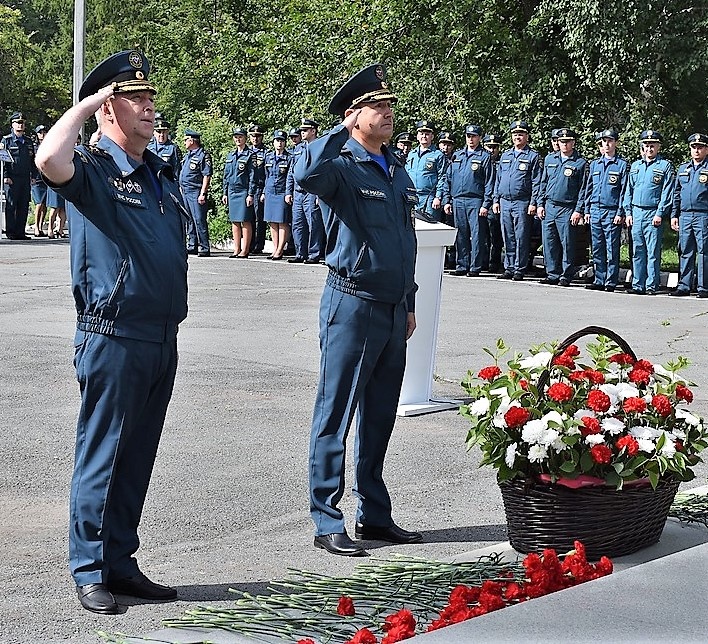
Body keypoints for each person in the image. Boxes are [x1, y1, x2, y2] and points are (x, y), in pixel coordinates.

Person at [35, 50, 187, 615]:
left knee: (137, 455)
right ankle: (89, 567)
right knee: (103, 453)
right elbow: (50, 157)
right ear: (107, 109)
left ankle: (121, 563)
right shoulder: (95, 171)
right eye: (135, 98)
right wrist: (88, 105)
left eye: (151, 98)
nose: (150, 107)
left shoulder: (157, 176)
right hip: (114, 334)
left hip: (160, 336)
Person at [294, 63, 421, 557]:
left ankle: (375, 514)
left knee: (380, 416)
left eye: (390, 105)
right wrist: (336, 131)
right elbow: (305, 174)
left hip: (392, 307)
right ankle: (327, 517)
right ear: (353, 115)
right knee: (336, 411)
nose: (388, 113)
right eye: (377, 106)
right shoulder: (341, 166)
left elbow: (404, 239)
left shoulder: (394, 165)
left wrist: (408, 301)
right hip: (351, 303)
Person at [622, 130, 675, 295]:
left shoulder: (664, 166)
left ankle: (651, 285)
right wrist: (628, 212)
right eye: (646, 145)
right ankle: (638, 284)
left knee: (652, 252)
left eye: (652, 145)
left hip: (652, 213)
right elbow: (628, 190)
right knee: (637, 251)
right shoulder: (636, 166)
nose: (649, 148)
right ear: (642, 146)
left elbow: (667, 192)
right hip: (636, 212)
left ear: (658, 147)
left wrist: (660, 213)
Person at [537, 128, 588, 286]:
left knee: (567, 243)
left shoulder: (580, 163)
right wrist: (540, 204)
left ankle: (566, 274)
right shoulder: (550, 159)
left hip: (567, 208)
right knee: (549, 242)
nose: (564, 144)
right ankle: (552, 273)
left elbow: (583, 189)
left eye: (567, 141)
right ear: (557, 143)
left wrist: (578, 210)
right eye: (561, 142)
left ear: (573, 142)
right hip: (549, 206)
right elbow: (543, 183)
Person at [492, 120, 541, 280]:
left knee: (521, 236)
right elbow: (498, 180)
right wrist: (495, 200)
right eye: (515, 134)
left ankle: (519, 268)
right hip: (505, 201)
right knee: (508, 236)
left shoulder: (532, 156)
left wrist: (533, 202)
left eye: (520, 134)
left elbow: (536, 181)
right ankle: (509, 267)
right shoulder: (506, 155)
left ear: (527, 136)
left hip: (522, 202)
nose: (517, 137)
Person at [444, 125, 494, 276]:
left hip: (475, 200)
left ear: (479, 137)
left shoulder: (484, 157)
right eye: (468, 136)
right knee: (461, 234)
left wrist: (486, 204)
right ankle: (462, 265)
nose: (470, 139)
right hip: (458, 200)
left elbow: (489, 182)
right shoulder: (457, 155)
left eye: (474, 136)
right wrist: (447, 200)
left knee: (477, 234)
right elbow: (448, 179)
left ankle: (475, 267)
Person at [583, 129, 628, 292]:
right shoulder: (595, 164)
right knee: (597, 247)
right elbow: (589, 188)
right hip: (595, 210)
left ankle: (610, 281)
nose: (607, 144)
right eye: (604, 141)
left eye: (610, 141)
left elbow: (624, 191)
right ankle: (599, 278)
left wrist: (620, 212)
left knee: (611, 248)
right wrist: (587, 209)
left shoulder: (621, 165)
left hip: (611, 211)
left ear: (615, 143)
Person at [669, 133, 708, 298]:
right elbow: (676, 193)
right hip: (685, 215)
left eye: (700, 147)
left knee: (704, 251)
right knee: (685, 250)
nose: (697, 150)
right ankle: (684, 285)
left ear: (706, 149)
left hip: (703, 215)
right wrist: (674, 214)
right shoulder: (683, 169)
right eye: (694, 147)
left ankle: (703, 287)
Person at [285, 118, 324, 263]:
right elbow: (292, 171)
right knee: (298, 224)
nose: (302, 133)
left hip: (312, 192)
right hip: (298, 192)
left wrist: (320, 193)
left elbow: (322, 171)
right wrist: (288, 191)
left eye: (305, 130)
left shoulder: (320, 147)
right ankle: (300, 253)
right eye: (301, 130)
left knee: (313, 224)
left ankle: (314, 254)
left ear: (313, 131)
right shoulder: (298, 149)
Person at [222, 126, 256, 258]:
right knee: (234, 221)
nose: (238, 139)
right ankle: (236, 249)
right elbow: (226, 175)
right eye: (236, 137)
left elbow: (253, 176)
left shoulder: (250, 155)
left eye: (240, 137)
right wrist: (225, 192)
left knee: (245, 220)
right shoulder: (231, 155)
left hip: (243, 191)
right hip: (232, 191)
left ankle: (245, 250)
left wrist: (251, 194)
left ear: (245, 138)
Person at [405, 120, 447, 221]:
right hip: (412, 196)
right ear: (417, 136)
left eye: (427, 134)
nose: (424, 136)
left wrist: (438, 197)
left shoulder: (437, 155)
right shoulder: (412, 154)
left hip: (429, 198)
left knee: (430, 230)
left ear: (432, 136)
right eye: (421, 133)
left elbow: (442, 177)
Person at [2, 112, 35, 240]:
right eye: (18, 123)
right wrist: (5, 175)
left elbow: (32, 160)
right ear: (12, 124)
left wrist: (33, 175)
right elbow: (3, 160)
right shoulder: (7, 141)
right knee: (11, 205)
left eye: (22, 123)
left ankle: (20, 231)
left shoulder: (28, 141)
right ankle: (11, 231)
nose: (20, 125)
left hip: (25, 178)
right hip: (12, 178)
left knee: (23, 205)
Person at [180, 128, 212, 257]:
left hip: (195, 191)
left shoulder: (203, 155)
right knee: (189, 220)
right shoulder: (188, 155)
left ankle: (204, 246)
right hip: (186, 191)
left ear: (192, 140)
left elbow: (206, 175)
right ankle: (192, 245)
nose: (184, 143)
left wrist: (203, 193)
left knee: (199, 219)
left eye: (186, 140)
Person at [263, 129, 292, 260]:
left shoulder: (289, 158)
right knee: (272, 222)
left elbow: (290, 177)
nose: (279, 143)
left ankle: (280, 249)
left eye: (282, 141)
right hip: (270, 191)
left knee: (282, 221)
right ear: (273, 142)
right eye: (277, 140)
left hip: (281, 192)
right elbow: (266, 176)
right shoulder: (268, 157)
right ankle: (274, 248)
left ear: (285, 143)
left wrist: (288, 193)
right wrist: (264, 191)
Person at [483, 133, 504, 272]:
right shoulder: (480, 160)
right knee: (483, 235)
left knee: (495, 236)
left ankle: (494, 262)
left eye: (494, 147)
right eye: (489, 147)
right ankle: (483, 261)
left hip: (495, 203)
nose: (491, 150)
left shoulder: (502, 162)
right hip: (482, 202)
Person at [248, 123, 268, 254]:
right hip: (248, 188)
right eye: (253, 136)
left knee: (259, 218)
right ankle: (248, 244)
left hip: (260, 187)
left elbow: (268, 173)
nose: (255, 139)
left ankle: (258, 245)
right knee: (248, 218)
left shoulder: (266, 153)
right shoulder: (247, 151)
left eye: (258, 136)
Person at [31, 125, 48, 236]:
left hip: (47, 178)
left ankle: (41, 227)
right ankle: (36, 227)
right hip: (36, 178)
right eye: (40, 132)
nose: (42, 134)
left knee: (45, 204)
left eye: (44, 132)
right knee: (39, 203)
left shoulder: (49, 145)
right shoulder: (33, 146)